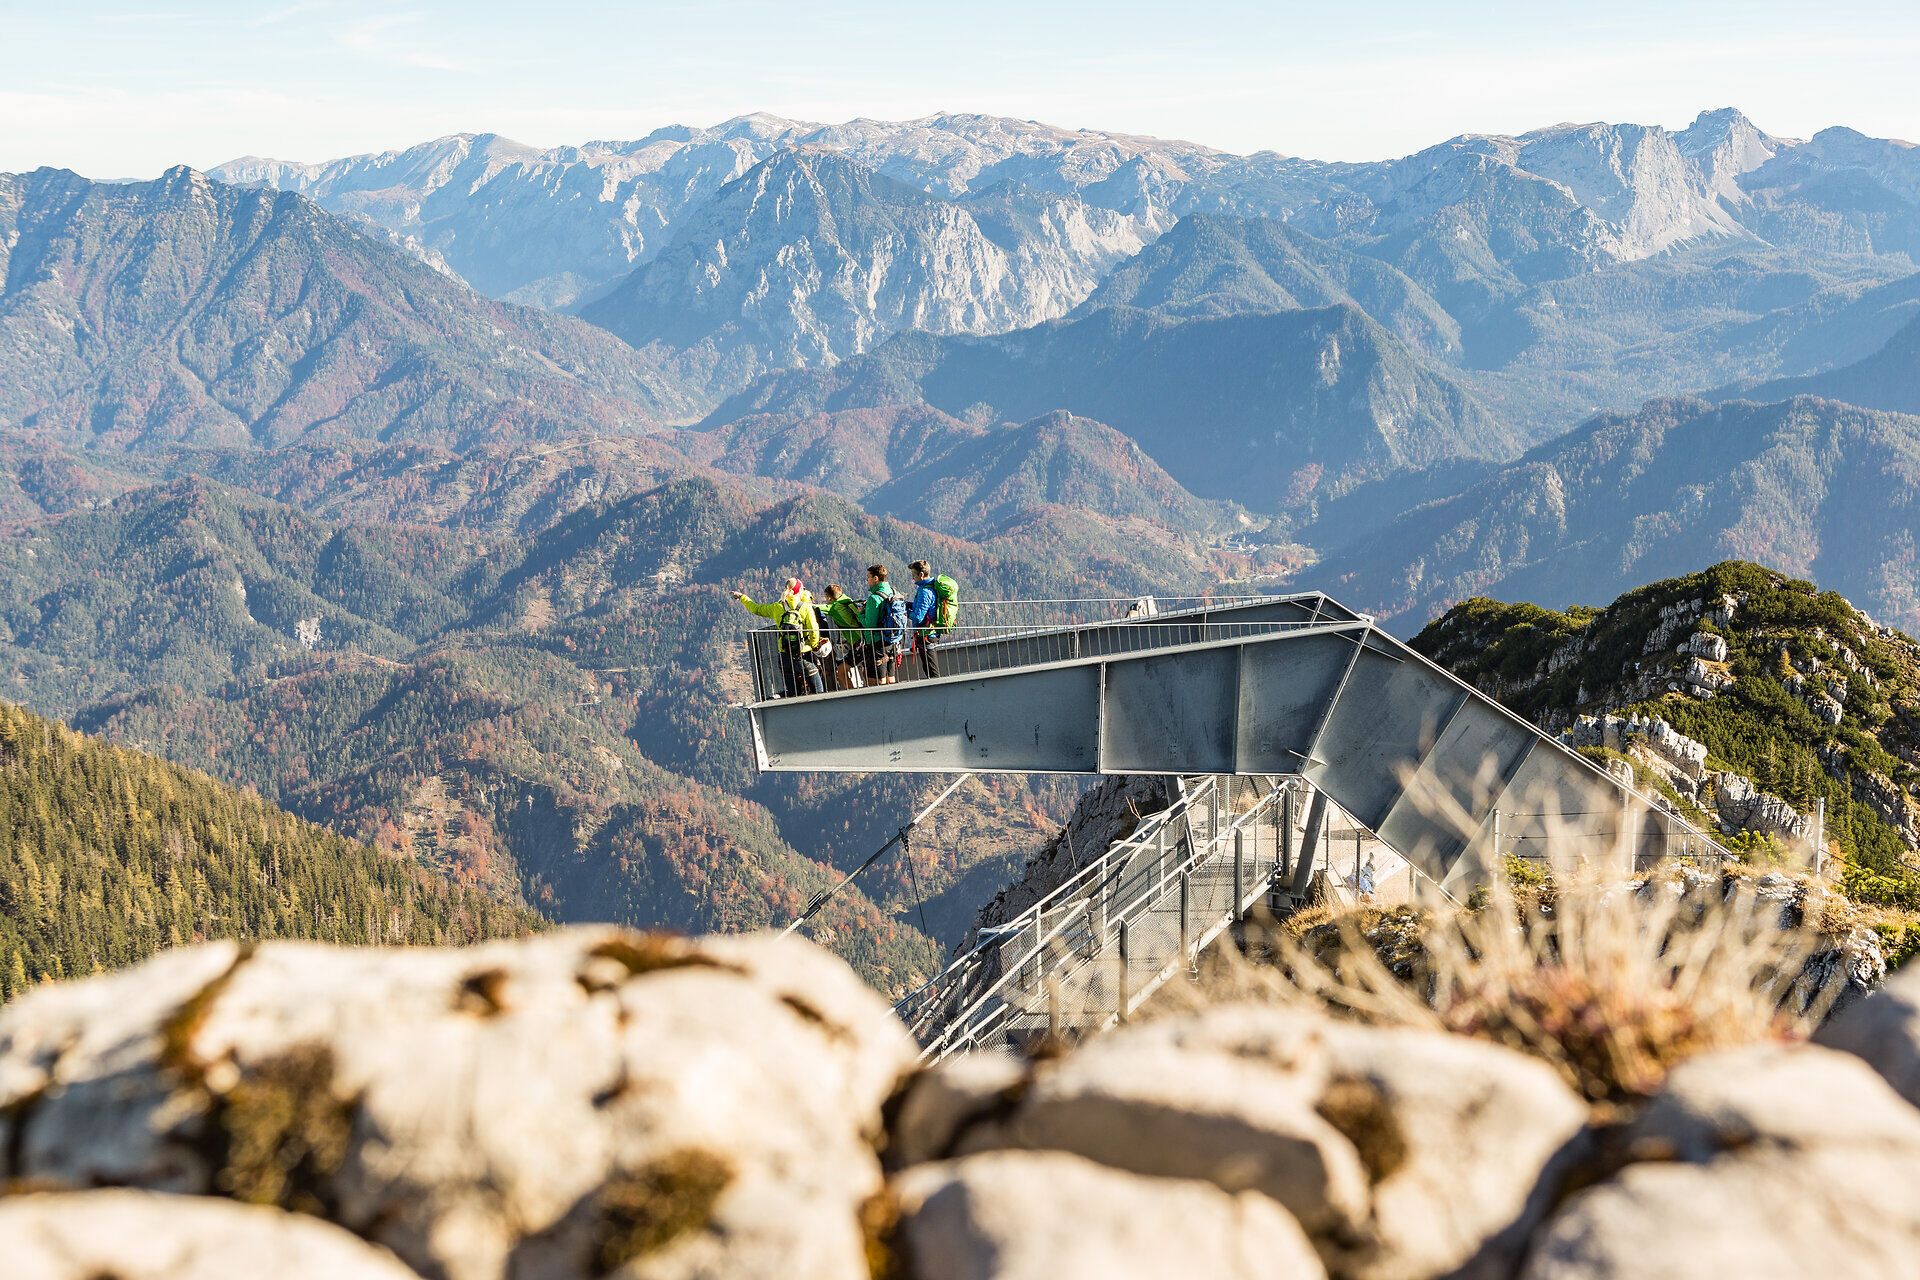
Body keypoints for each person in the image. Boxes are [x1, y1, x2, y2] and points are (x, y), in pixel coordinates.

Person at [732, 578, 824, 697]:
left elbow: (757, 609)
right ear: (799, 591)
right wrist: (814, 645)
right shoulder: (805, 607)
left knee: (792, 694)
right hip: (803, 654)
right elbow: (814, 629)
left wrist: (742, 597)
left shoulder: (777, 607)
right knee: (819, 691)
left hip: (784, 655)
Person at [905, 559, 953, 680]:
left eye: (913, 575)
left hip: (926, 634)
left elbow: (917, 616)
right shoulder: (929, 587)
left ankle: (937, 693)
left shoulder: (925, 592)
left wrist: (905, 611)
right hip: (930, 633)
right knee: (929, 667)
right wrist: (907, 604)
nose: (912, 578)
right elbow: (921, 608)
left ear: (921, 575)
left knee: (931, 669)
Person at [861, 563, 907, 685]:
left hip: (877, 643)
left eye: (868, 577)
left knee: (876, 680)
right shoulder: (894, 592)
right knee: (890, 678)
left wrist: (861, 614)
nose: (867, 580)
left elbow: (869, 625)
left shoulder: (874, 598)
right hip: (893, 641)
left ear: (876, 578)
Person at [820, 584, 866, 690]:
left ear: (829, 597)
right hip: (862, 639)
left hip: (856, 642)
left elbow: (817, 607)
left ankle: (852, 695)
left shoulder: (834, 607)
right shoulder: (847, 601)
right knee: (858, 669)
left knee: (842, 672)